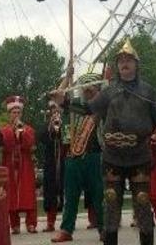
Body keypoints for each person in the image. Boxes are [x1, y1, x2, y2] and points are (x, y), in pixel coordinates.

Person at [51, 38, 156, 245]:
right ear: (117, 66)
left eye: (129, 59)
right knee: (111, 206)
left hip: (140, 156)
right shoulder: (108, 92)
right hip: (113, 158)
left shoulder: (147, 91)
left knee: (142, 205)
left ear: (136, 64)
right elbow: (88, 109)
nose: (124, 63)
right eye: (121, 60)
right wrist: (65, 102)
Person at [51, 73, 105, 243]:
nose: (88, 92)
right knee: (71, 196)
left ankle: (104, 228)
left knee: (99, 194)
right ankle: (67, 229)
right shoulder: (73, 106)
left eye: (92, 89)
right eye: (85, 89)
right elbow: (58, 95)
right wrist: (67, 76)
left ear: (98, 90)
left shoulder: (102, 106)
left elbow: (92, 105)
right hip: (73, 157)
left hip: (95, 156)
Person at [1, 96, 38, 234]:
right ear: (9, 114)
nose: (16, 115)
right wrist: (13, 132)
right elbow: (6, 145)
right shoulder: (4, 130)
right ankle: (15, 225)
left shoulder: (28, 129)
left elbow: (29, 145)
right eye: (13, 113)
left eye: (18, 113)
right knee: (11, 195)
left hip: (25, 166)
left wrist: (21, 133)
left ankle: (31, 224)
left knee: (28, 193)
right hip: (10, 166)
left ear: (21, 114)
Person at [40, 101, 66, 232]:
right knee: (50, 191)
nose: (55, 111)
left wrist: (61, 126)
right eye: (52, 109)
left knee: (67, 190)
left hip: (65, 160)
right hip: (50, 162)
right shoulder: (46, 125)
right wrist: (51, 126)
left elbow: (68, 138)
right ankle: (50, 222)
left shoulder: (66, 123)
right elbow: (42, 139)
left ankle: (68, 223)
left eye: (57, 108)